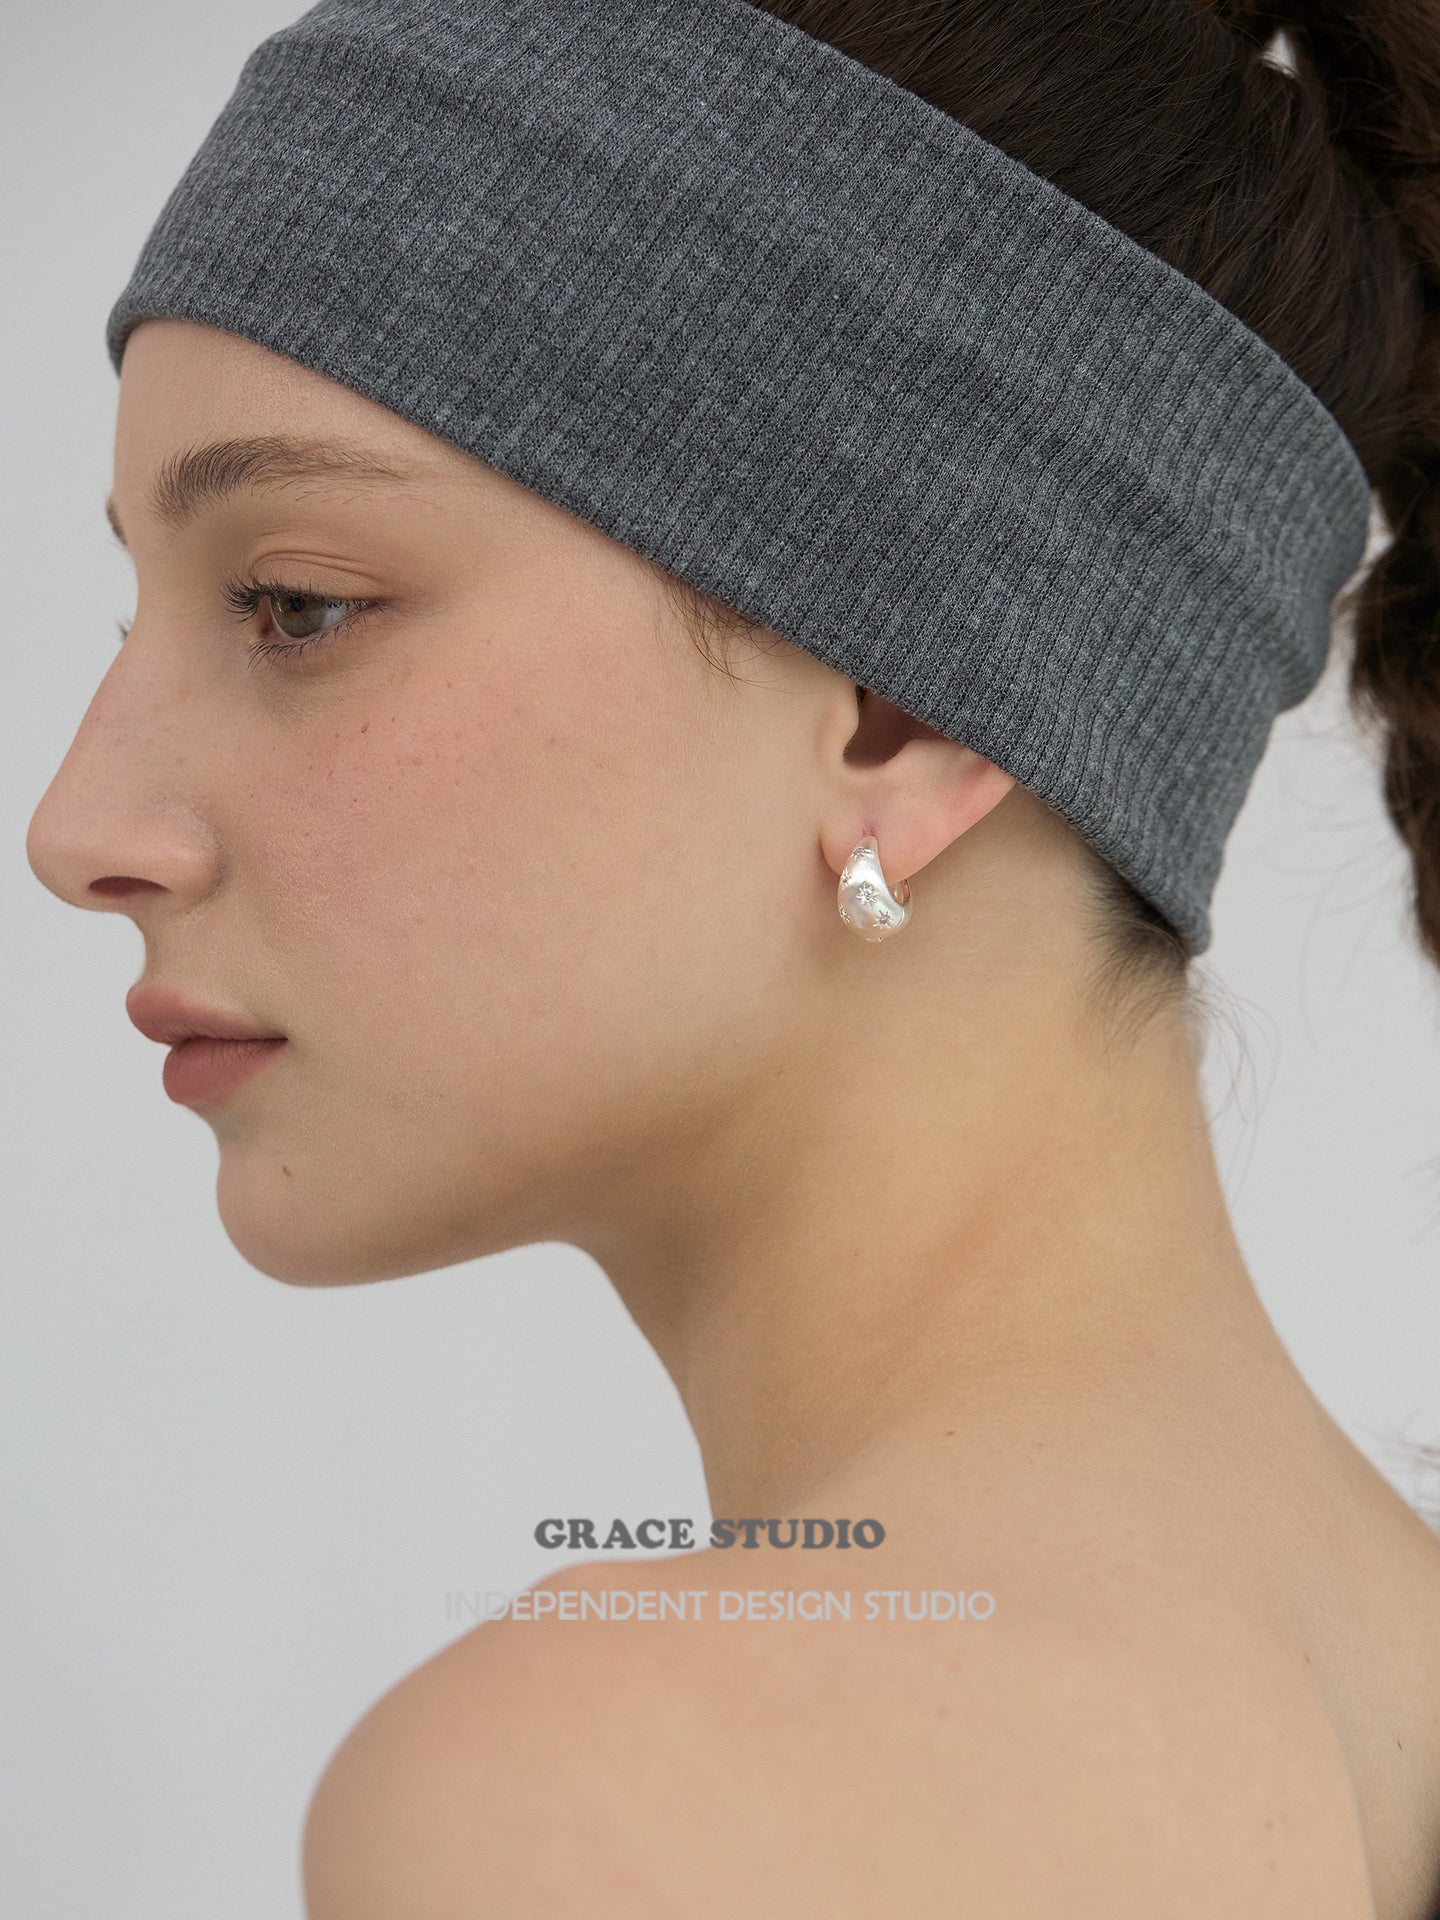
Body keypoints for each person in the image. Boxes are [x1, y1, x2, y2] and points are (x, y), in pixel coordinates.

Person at [24, 0, 1440, 1914]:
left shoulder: (622, 1798)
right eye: (135, 615)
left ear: (897, 717)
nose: (80, 829)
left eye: (296, 604)